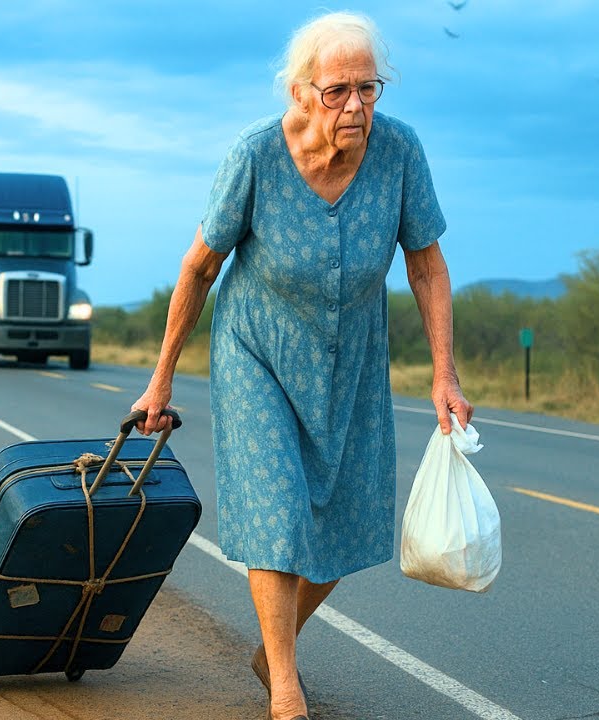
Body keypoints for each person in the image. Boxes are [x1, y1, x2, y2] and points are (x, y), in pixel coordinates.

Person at [130, 12, 473, 720]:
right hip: (258, 352)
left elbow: (428, 265)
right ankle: (285, 686)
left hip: (350, 361)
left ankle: (271, 650)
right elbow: (199, 269)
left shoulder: (400, 153)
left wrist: (446, 374)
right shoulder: (255, 156)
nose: (355, 106)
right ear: (300, 91)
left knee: (350, 528)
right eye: (337, 90)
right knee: (282, 516)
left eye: (368, 89)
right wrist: (161, 377)